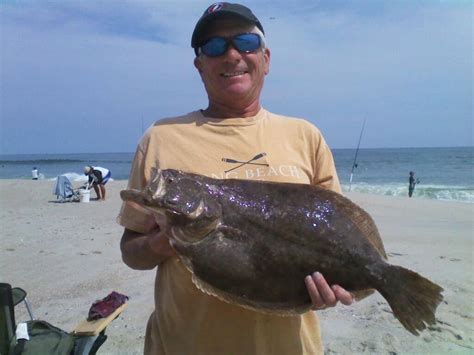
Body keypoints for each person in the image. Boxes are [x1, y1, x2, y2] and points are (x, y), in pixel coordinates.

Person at [118, 3, 362, 354]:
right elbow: (131, 251)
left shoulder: (305, 136)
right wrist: (164, 242)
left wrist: (336, 286)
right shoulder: (160, 136)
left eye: (245, 42)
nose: (232, 55)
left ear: (265, 58)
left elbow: (335, 232)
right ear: (199, 66)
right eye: (214, 47)